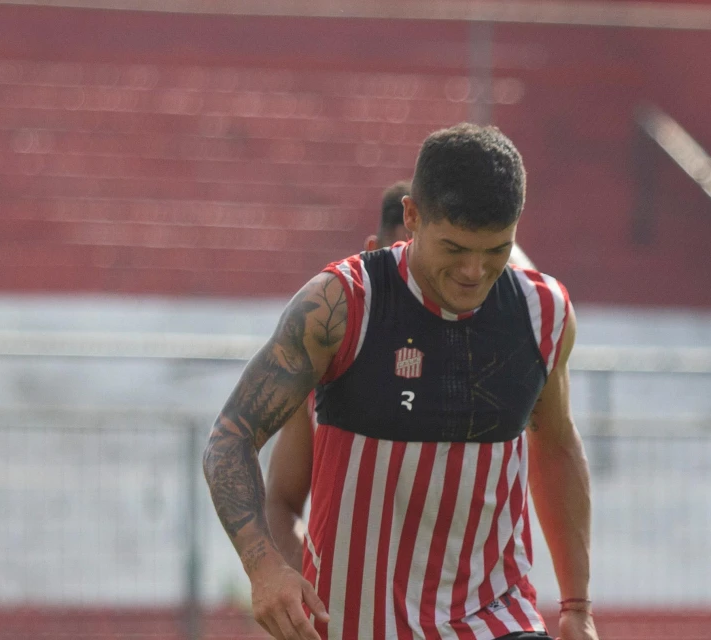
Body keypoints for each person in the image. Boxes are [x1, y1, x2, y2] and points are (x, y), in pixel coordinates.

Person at [203, 123, 597, 640]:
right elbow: (230, 438)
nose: (474, 272)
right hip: (360, 627)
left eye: (496, 250)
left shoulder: (543, 313)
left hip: (496, 620)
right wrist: (265, 569)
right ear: (412, 217)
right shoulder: (341, 306)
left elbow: (557, 446)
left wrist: (576, 606)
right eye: (455, 249)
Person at [265, 182, 538, 581]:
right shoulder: (325, 358)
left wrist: (577, 605)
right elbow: (281, 501)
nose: (419, 288)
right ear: (374, 250)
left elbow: (528, 286)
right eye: (405, 264)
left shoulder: (501, 363)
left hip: (470, 613)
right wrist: (307, 594)